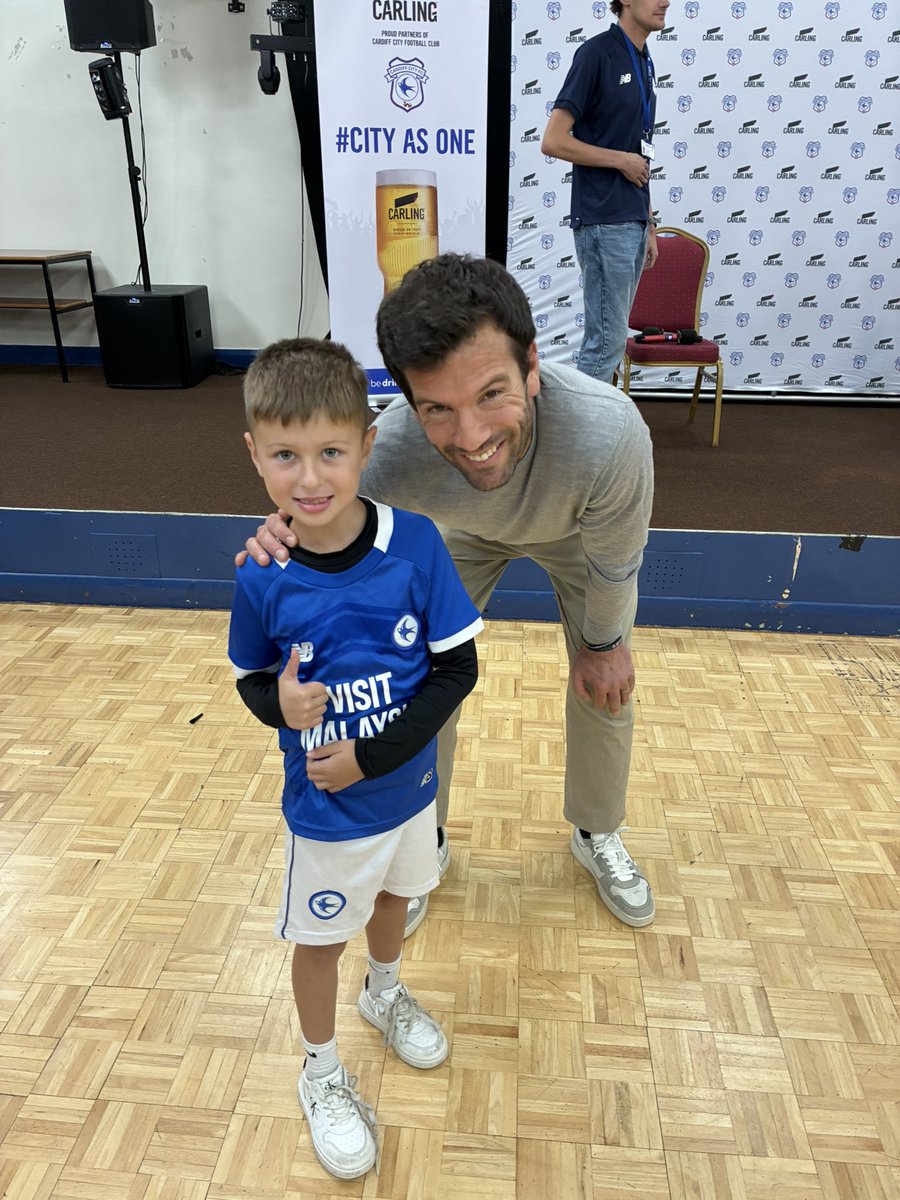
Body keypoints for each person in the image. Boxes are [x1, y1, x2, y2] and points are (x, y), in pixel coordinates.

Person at [240, 253, 655, 940]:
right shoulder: (393, 450)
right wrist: (282, 531)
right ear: (407, 402)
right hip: (457, 535)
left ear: (531, 367)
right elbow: (319, 497)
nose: (473, 437)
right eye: (438, 409)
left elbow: (615, 566)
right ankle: (419, 841)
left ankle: (597, 828)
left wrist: (602, 646)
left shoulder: (609, 434)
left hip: (576, 539)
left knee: (607, 681)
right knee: (416, 679)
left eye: (493, 393)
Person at [229, 337, 482, 1180]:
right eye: (286, 456)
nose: (310, 478)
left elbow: (457, 667)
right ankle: (321, 1070)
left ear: (367, 447)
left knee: (398, 900)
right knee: (317, 939)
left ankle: (385, 990)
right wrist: (281, 705)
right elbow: (250, 678)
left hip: (405, 793)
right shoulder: (262, 571)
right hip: (326, 815)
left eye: (331, 452)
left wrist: (375, 759)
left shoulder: (415, 545)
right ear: (255, 456)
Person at [541, 0, 670, 383]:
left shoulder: (644, 61)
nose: (665, 2)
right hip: (602, 219)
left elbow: (638, 150)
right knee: (606, 344)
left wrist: (647, 223)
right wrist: (619, 161)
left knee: (610, 343)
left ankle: (588, 434)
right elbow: (553, 141)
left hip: (629, 218)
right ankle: (577, 440)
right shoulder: (596, 53)